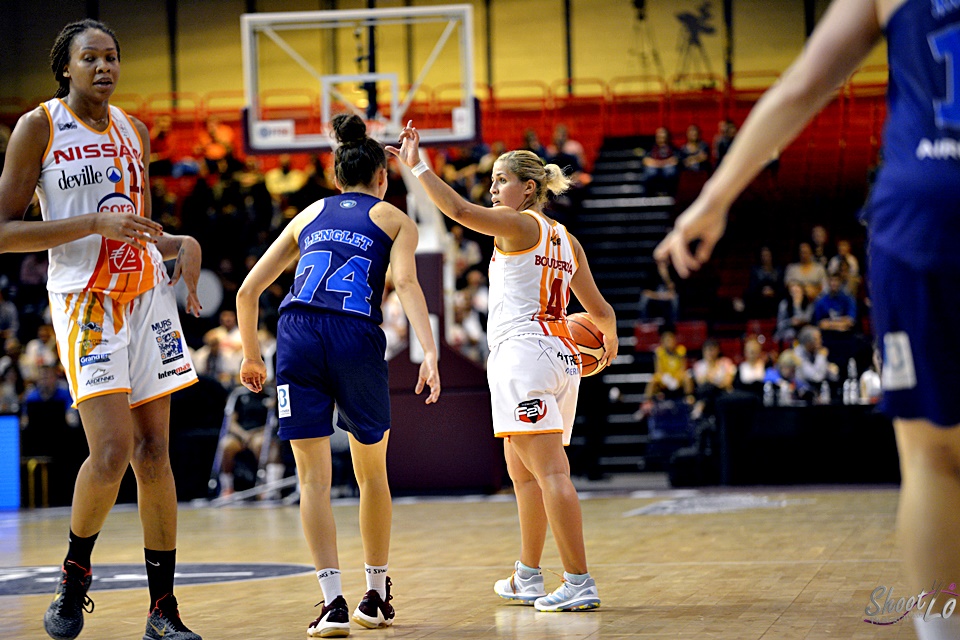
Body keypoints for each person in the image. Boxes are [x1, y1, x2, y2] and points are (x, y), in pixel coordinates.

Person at [654, 3, 960, 636]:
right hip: (921, 219)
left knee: (933, 459)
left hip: (926, 213)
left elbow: (802, 88)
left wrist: (713, 202)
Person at [0, 19, 204, 640]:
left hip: (145, 293)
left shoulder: (134, 131)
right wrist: (89, 225)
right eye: (90, 58)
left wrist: (178, 243)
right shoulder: (39, 127)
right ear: (66, 67)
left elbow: (134, 225)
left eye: (112, 56)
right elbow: (4, 232)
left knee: (155, 455)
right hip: (86, 301)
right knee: (110, 452)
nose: (104, 67)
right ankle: (74, 575)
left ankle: (162, 612)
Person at [387, 120, 619, 612]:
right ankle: (528, 575)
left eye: (501, 180)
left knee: (550, 473)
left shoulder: (518, 224)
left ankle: (578, 580)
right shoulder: (565, 238)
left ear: (527, 188)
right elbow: (602, 312)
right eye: (492, 181)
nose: (492, 189)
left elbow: (456, 209)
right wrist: (606, 344)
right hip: (560, 358)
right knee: (522, 471)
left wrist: (418, 166)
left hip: (525, 355)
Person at [236, 114, 441, 637]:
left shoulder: (306, 216)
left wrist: (252, 356)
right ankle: (374, 595)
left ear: (336, 178)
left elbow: (247, 292)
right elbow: (408, 286)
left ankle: (331, 602)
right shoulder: (395, 219)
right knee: (372, 473)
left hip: (297, 335)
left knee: (312, 480)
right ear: (383, 178)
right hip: (354, 334)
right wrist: (429, 351)